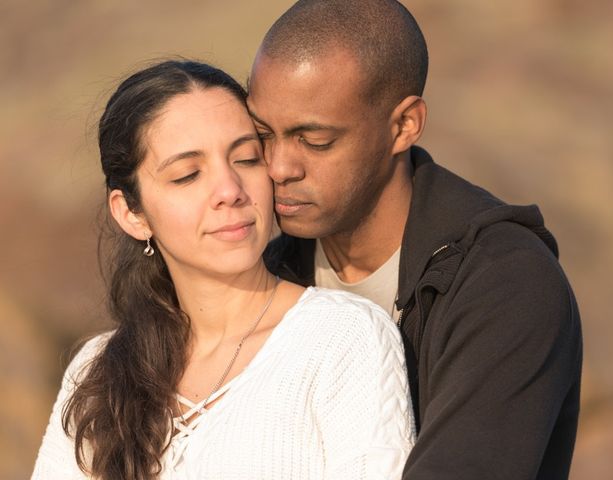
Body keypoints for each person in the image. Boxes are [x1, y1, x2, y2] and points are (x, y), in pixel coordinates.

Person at [31, 60, 415, 479]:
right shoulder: (96, 371)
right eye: (187, 175)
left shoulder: (342, 339)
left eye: (247, 159)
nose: (230, 191)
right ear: (131, 214)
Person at [249, 1, 583, 479]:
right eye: (262, 135)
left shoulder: (507, 285)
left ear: (404, 125)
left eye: (314, 140)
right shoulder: (261, 272)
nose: (279, 167)